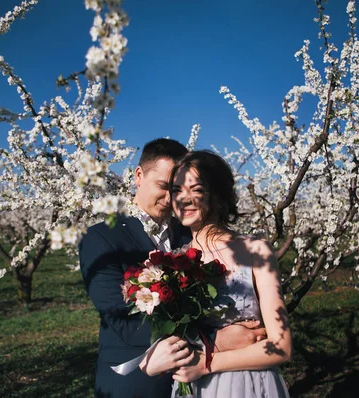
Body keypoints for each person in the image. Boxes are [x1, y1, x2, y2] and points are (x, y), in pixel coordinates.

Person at [79, 139, 267, 398]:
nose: (171, 199)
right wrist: (214, 340)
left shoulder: (192, 231)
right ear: (138, 175)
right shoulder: (101, 239)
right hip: (136, 382)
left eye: (177, 189)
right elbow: (122, 318)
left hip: (203, 380)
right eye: (163, 187)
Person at [166, 150, 292, 397]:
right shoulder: (171, 264)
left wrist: (206, 364)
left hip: (248, 383)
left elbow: (282, 346)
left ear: (219, 195)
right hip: (194, 387)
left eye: (197, 189)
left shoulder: (255, 251)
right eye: (177, 190)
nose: (185, 199)